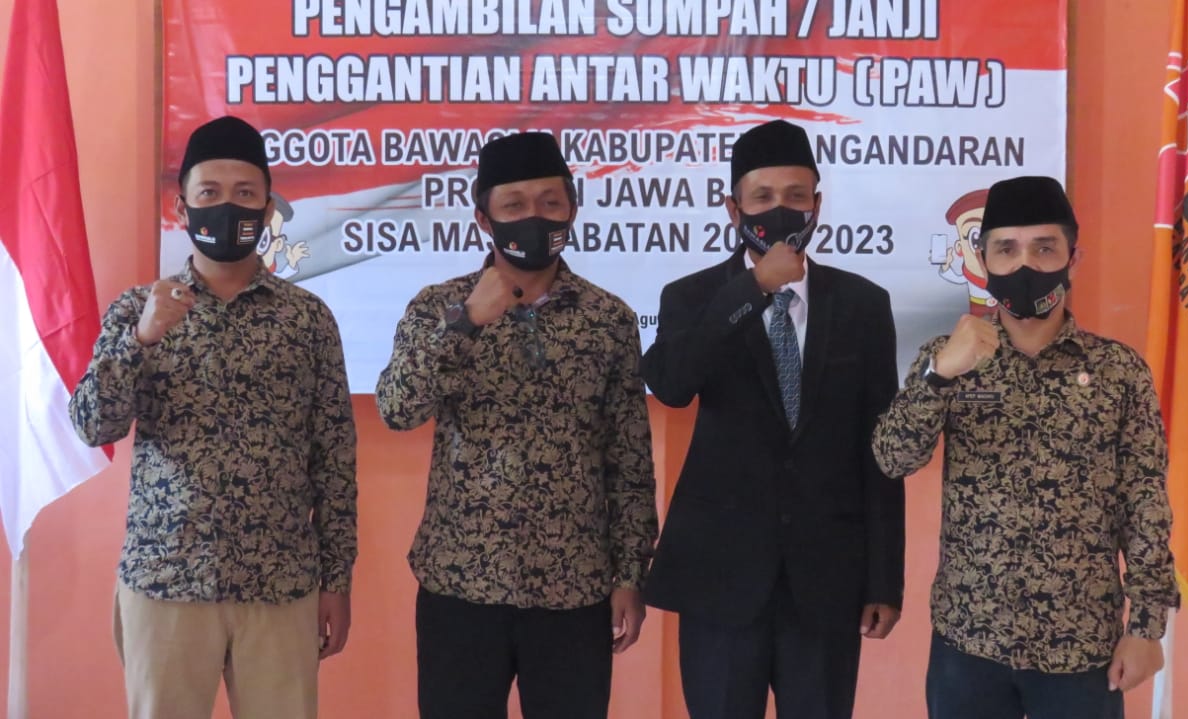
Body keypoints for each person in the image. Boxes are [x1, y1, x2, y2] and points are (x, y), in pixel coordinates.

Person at [69, 115, 357, 719]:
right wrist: (141, 340)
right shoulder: (139, 310)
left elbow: (333, 459)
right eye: (210, 192)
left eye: (245, 193)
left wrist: (337, 579)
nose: (227, 207)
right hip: (166, 581)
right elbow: (94, 426)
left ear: (269, 208)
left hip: (280, 585)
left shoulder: (307, 319)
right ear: (182, 208)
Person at [872, 176, 1179, 719]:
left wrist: (1147, 627)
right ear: (984, 260)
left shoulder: (1118, 371)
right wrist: (939, 375)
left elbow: (1145, 503)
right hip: (970, 639)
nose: (1024, 265)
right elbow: (892, 458)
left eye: (1044, 248)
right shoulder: (947, 357)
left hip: (1082, 646)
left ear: (1073, 259)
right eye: (1007, 249)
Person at [375, 131, 658, 719]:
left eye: (550, 202)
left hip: (574, 589)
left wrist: (631, 575)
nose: (534, 217)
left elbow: (629, 460)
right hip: (461, 582)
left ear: (572, 208)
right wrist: (466, 322)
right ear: (484, 218)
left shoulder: (608, 318)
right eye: (514, 205)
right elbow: (398, 409)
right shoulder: (438, 306)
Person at [640, 119, 904, 718]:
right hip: (721, 578)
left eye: (795, 195)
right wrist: (752, 290)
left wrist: (885, 580)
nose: (780, 210)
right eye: (762, 197)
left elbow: (880, 451)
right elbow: (672, 384)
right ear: (733, 208)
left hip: (828, 580)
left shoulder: (862, 305)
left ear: (817, 204)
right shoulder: (693, 296)